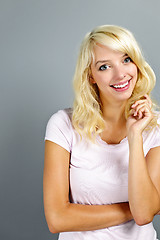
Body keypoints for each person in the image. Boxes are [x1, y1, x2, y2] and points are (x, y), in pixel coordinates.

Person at [43, 25, 160, 240]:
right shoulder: (62, 125)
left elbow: (144, 215)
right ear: (91, 77)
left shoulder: (155, 127)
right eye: (105, 66)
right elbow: (57, 219)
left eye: (126, 60)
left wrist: (135, 138)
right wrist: (133, 208)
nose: (120, 74)